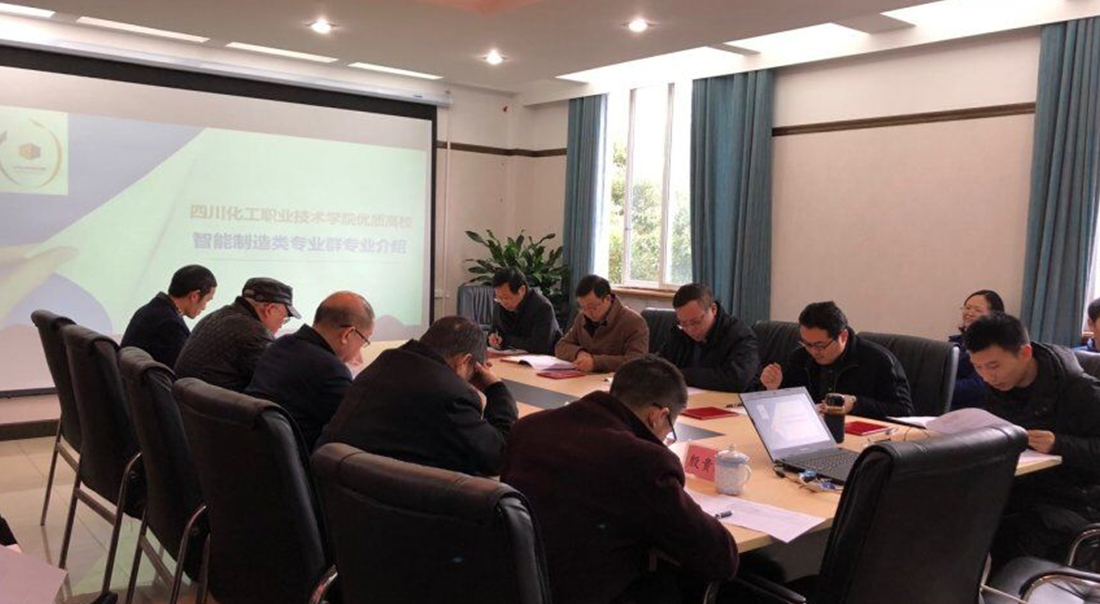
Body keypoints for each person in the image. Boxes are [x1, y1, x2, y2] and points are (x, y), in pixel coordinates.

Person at [502, 356, 738, 604]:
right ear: (658, 416)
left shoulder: (527, 428)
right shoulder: (644, 461)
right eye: (670, 430)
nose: (666, 438)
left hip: (517, 584)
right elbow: (722, 558)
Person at [964, 312, 1100, 569]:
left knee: (1003, 536)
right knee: (954, 514)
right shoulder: (999, 386)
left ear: (1025, 353)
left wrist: (1059, 444)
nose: (987, 377)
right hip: (1019, 488)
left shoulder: (1081, 390)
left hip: (1073, 502)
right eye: (978, 368)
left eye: (993, 366)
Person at [319, 316, 517, 477]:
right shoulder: (451, 394)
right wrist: (496, 389)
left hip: (336, 487)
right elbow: (499, 456)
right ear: (464, 361)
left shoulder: (384, 365)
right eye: (473, 372)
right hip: (387, 503)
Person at [246, 292, 374, 450]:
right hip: (295, 459)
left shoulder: (280, 345)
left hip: (252, 449)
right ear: (347, 334)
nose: (360, 350)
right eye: (364, 340)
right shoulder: (332, 371)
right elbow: (355, 435)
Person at [759, 301, 913, 418]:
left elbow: (904, 411)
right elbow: (787, 407)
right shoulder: (801, 357)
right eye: (807, 344)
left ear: (843, 336)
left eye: (820, 345)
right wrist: (774, 388)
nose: (813, 352)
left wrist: (854, 404)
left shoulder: (879, 361)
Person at [175, 277, 299, 392]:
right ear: (270, 309)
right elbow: (280, 382)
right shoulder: (254, 333)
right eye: (284, 318)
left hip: (187, 401)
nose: (281, 325)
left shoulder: (216, 316)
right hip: (213, 407)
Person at [658, 283, 759, 392]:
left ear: (713, 309)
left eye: (696, 322)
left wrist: (679, 374)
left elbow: (736, 379)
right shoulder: (680, 332)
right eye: (683, 323)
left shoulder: (740, 335)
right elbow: (659, 364)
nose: (690, 329)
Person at [120, 265, 217, 367]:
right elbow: (184, 369)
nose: (204, 307)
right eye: (207, 300)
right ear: (195, 296)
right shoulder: (170, 324)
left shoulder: (151, 310)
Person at [555, 274, 648, 372]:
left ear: (607, 299)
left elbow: (637, 361)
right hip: (585, 377)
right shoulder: (582, 318)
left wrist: (596, 363)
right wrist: (579, 353)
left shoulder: (634, 322)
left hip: (616, 379)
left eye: (593, 307)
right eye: (583, 307)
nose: (587, 312)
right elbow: (561, 346)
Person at [948, 289, 1005, 409]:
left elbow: (977, 387)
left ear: (994, 316)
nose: (969, 313)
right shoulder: (955, 342)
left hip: (973, 409)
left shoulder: (995, 347)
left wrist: (939, 385)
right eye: (967, 308)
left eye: (977, 310)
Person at [488, 267, 562, 354]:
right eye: (498, 298)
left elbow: (540, 346)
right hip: (509, 357)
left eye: (506, 298)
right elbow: (494, 330)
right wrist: (492, 338)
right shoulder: (500, 304)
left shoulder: (543, 307)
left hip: (543, 359)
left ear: (522, 290)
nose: (503, 302)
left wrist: (505, 340)